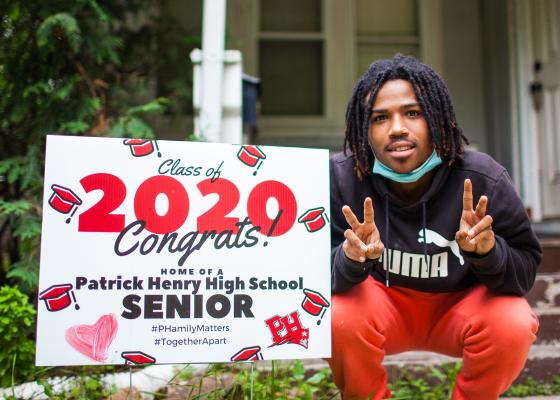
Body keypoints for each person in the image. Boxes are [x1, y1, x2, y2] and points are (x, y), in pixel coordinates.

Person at [328, 54, 541, 400]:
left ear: (439, 119)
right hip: (380, 306)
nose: (397, 128)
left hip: (460, 308)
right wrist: (350, 259)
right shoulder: (340, 178)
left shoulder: (484, 178)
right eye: (380, 117)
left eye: (413, 113)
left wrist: (488, 253)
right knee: (337, 315)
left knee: (512, 321)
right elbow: (312, 278)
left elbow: (524, 273)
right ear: (362, 128)